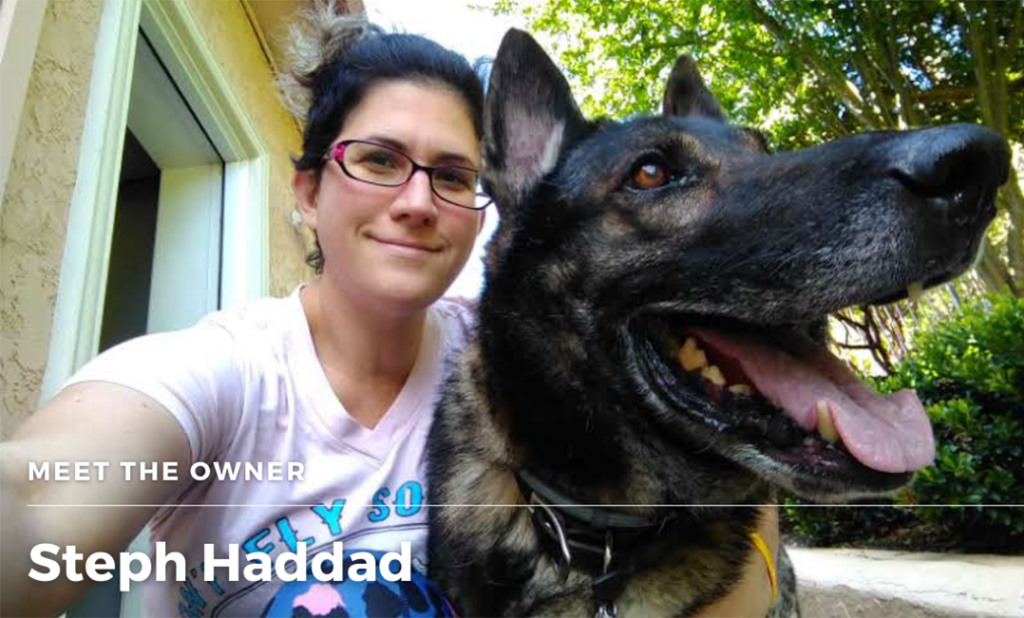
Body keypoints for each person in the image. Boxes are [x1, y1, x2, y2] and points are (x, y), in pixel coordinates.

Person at [0, 4, 779, 616]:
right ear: (307, 193)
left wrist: (750, 576)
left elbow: (721, 420)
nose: (416, 202)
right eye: (378, 160)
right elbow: (35, 510)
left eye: (452, 175)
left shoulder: (527, 359)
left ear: (489, 209)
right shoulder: (216, 374)